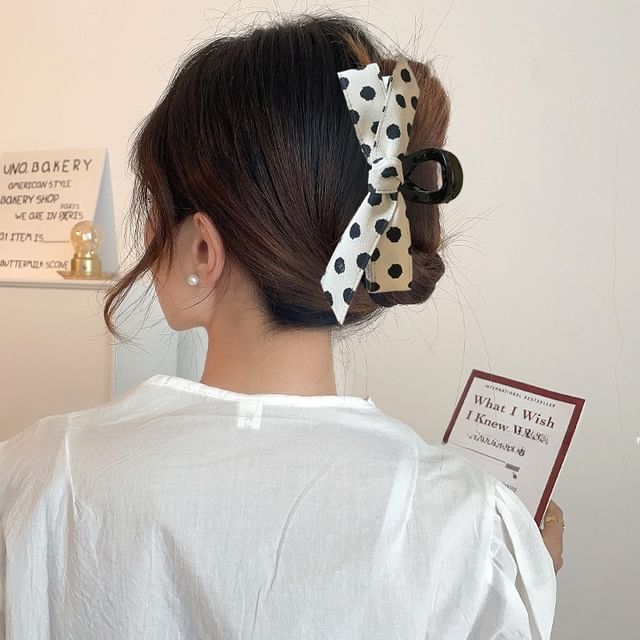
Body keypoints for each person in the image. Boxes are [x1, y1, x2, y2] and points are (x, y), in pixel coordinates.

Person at [0, 12, 564, 639]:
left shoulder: (39, 475)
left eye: (156, 209)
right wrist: (522, 575)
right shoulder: (472, 528)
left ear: (202, 249)